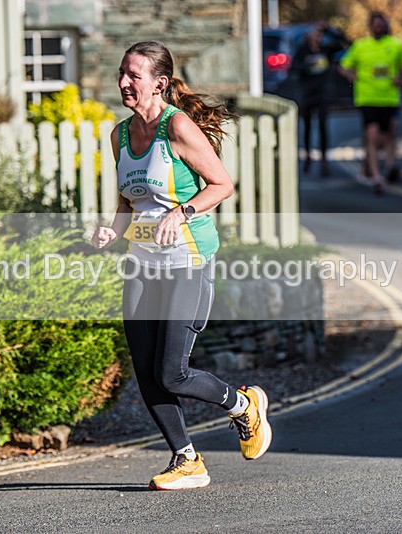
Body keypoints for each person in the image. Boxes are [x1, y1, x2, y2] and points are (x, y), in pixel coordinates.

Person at [91, 41, 272, 491]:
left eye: (133, 75)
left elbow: (222, 184)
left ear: (159, 83)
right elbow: (127, 202)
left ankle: (243, 405)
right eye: (121, 73)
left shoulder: (177, 127)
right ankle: (186, 459)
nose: (123, 82)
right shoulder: (119, 135)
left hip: (187, 260)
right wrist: (111, 231)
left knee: (172, 371)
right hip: (142, 262)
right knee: (146, 368)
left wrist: (182, 212)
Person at [339, 12, 402, 195]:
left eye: (381, 25)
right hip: (367, 97)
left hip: (389, 97)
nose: (378, 28)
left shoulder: (396, 44)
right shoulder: (360, 45)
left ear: (385, 26)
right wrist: (350, 75)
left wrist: (401, 80)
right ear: (370, 27)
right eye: (375, 25)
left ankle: (390, 165)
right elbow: (344, 66)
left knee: (389, 134)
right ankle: (377, 177)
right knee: (372, 134)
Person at [291, 22, 334, 177]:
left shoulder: (326, 50)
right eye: (314, 34)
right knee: (307, 126)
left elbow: (342, 44)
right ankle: (308, 156)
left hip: (322, 93)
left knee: (323, 125)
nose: (317, 38)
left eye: (319, 35)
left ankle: (324, 159)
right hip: (307, 94)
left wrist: (328, 29)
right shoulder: (303, 51)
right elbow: (294, 67)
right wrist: (308, 65)